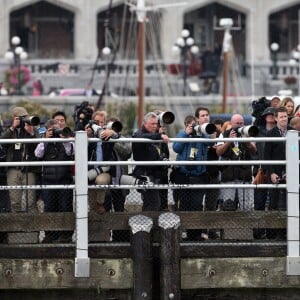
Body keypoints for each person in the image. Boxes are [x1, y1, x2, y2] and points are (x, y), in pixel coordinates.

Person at [35, 119, 74, 243]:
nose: (57, 131)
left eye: (59, 127)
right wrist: (45, 139)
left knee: (65, 207)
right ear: (48, 130)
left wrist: (64, 139)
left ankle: (66, 235)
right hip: (48, 180)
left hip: (64, 180)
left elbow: (70, 151)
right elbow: (38, 154)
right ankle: (50, 234)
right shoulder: (45, 140)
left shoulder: (66, 140)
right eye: (54, 129)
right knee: (49, 208)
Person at [172, 115, 210, 240]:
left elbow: (211, 143)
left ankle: (196, 234)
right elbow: (176, 148)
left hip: (198, 175)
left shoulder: (202, 135)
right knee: (183, 205)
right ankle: (183, 233)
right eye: (190, 125)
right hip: (183, 175)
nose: (193, 128)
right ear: (185, 124)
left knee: (197, 205)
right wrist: (185, 134)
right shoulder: (181, 134)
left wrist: (201, 132)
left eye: (194, 125)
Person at [1, 106, 40, 213]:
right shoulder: (10, 130)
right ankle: (16, 228)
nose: (24, 120)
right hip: (13, 169)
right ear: (14, 118)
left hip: (29, 168)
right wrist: (13, 127)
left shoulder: (33, 129)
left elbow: (40, 146)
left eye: (25, 117)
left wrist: (31, 133)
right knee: (15, 202)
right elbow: (2, 141)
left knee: (31, 202)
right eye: (21, 118)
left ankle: (33, 228)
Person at [216, 114, 257, 211]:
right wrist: (229, 141)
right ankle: (229, 225)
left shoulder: (247, 132)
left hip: (244, 174)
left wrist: (247, 142)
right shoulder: (224, 134)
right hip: (229, 174)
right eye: (237, 123)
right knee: (228, 204)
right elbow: (219, 152)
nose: (239, 125)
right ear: (231, 123)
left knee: (246, 206)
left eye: (241, 123)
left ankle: (246, 225)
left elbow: (254, 151)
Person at [264, 107, 292, 239]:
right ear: (275, 118)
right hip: (275, 171)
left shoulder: (294, 132)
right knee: (273, 202)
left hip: (290, 172)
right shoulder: (270, 134)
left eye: (285, 116)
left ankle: (287, 233)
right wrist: (272, 173)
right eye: (281, 117)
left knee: (289, 202)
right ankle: (271, 234)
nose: (284, 119)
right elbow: (266, 156)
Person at [132, 112, 169, 211]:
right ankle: (146, 224)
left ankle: (146, 224)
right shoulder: (139, 133)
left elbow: (164, 152)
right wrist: (159, 136)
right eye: (152, 124)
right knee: (154, 203)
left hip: (155, 173)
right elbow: (141, 137)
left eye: (156, 124)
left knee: (152, 203)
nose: (154, 126)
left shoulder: (154, 135)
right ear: (145, 123)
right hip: (145, 174)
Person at [253, 106, 276, 239]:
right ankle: (258, 232)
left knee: (274, 202)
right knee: (259, 202)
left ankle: (271, 232)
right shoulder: (258, 131)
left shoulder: (278, 132)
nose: (270, 116)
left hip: (274, 170)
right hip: (261, 169)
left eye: (273, 114)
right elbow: (253, 151)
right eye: (268, 114)